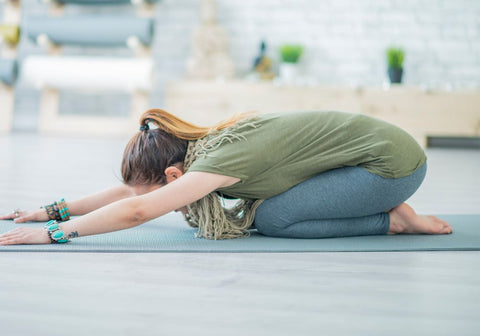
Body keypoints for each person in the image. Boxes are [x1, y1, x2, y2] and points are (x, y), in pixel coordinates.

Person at [0, 109, 452, 245]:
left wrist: (54, 235)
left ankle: (392, 220)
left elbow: (138, 208)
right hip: (370, 157)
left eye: (169, 190)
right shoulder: (202, 150)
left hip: (391, 168)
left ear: (175, 174)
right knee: (273, 214)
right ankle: (383, 208)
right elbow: (130, 193)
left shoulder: (214, 163)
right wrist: (49, 211)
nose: (172, 201)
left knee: (274, 219)